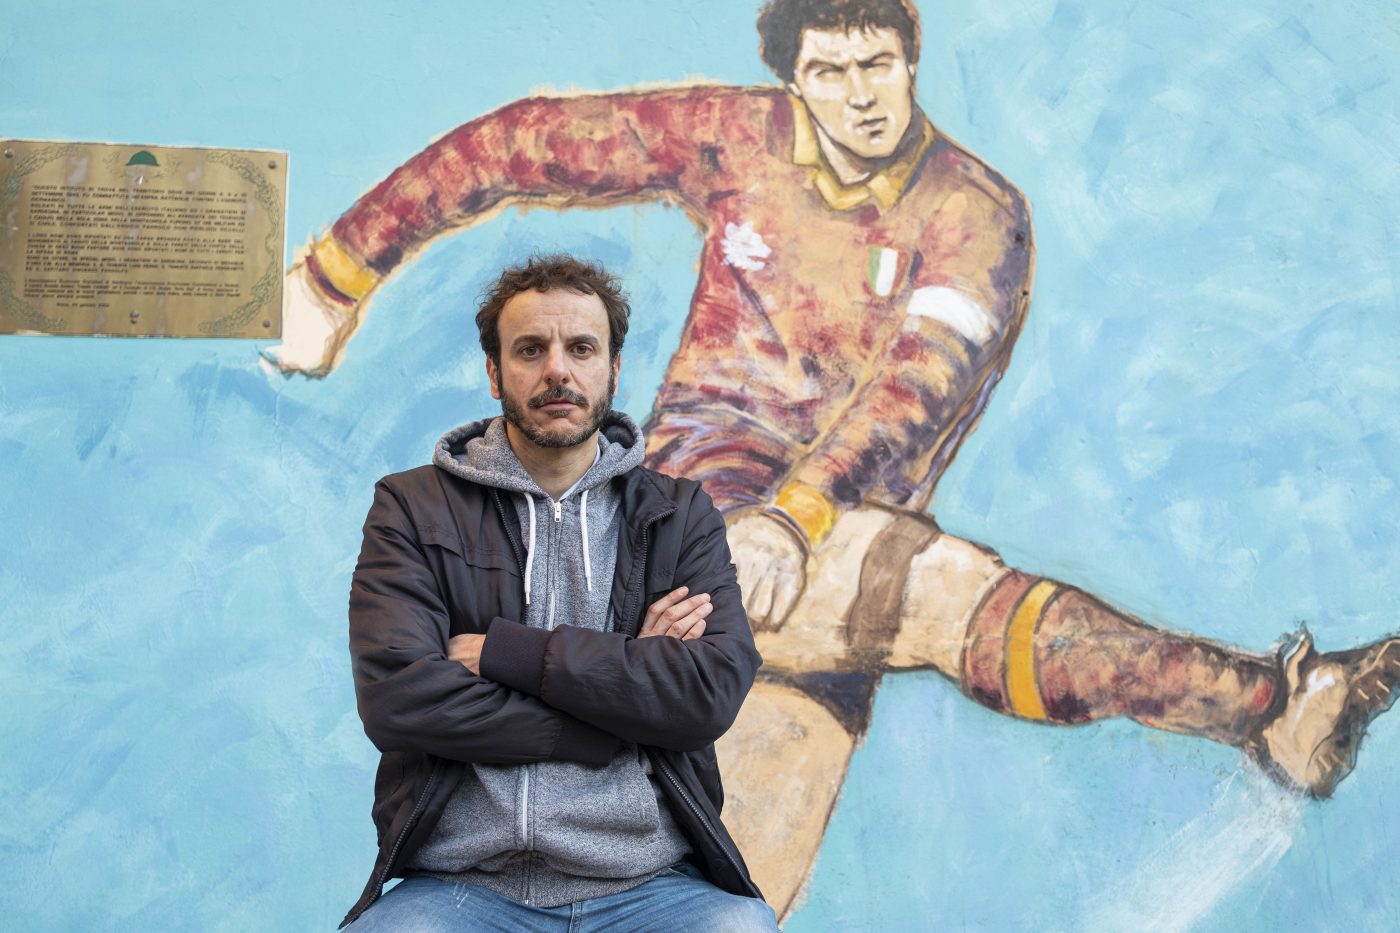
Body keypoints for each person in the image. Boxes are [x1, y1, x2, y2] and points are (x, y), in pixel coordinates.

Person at [284, 0, 1400, 918]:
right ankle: (1265, 702)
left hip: (826, 555)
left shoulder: (977, 215)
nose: (860, 95)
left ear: (911, 61)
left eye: (879, 65)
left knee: (734, 896)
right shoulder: (733, 137)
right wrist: (336, 272)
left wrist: (802, 513)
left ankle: (1273, 709)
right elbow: (519, 143)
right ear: (794, 80)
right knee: (936, 591)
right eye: (830, 71)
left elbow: (916, 389)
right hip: (703, 519)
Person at [342, 255, 777, 931]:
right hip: (463, 887)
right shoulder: (413, 506)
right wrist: (615, 710)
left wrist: (507, 653)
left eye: (580, 348)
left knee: (741, 927)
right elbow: (400, 700)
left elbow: (706, 693)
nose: (557, 371)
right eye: (529, 350)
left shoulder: (677, 514)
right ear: (494, 373)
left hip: (648, 883)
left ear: (613, 369)